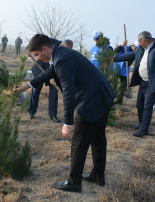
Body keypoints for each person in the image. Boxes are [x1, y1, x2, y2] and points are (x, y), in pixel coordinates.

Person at [15, 34, 113, 192]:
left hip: (91, 101)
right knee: (98, 138)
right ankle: (97, 175)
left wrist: (67, 123)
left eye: (37, 55)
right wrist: (28, 85)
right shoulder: (60, 54)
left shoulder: (62, 59)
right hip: (102, 96)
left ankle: (74, 182)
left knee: (78, 143)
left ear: (45, 49)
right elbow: (49, 73)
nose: (38, 58)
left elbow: (68, 93)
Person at [113, 31, 155, 137]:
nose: (138, 43)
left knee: (147, 106)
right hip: (143, 81)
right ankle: (141, 123)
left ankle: (144, 129)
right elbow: (130, 55)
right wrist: (114, 59)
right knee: (140, 105)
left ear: (146, 40)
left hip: (153, 82)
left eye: (139, 41)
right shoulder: (141, 48)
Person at [27, 38, 62, 123]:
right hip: (39, 69)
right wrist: (27, 49)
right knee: (35, 91)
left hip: (52, 71)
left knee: (54, 93)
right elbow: (34, 43)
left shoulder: (60, 45)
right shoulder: (49, 41)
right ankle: (31, 112)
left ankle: (53, 114)